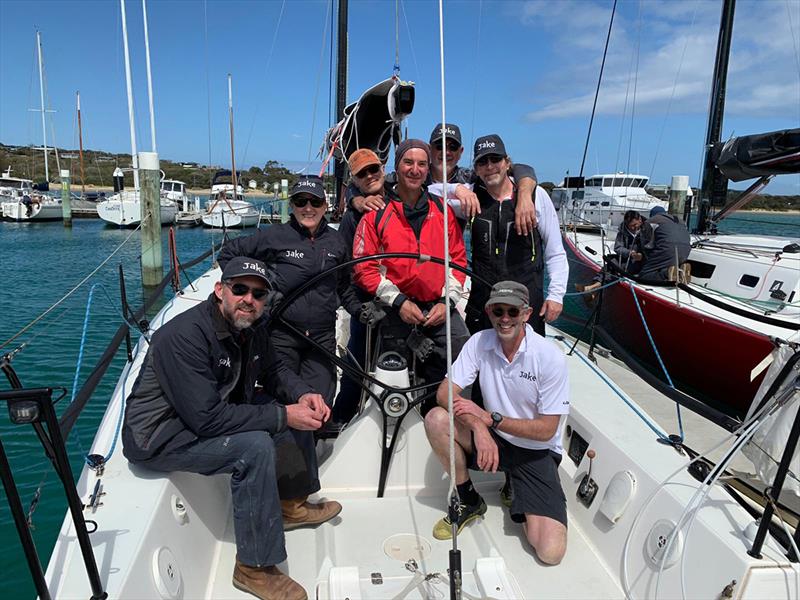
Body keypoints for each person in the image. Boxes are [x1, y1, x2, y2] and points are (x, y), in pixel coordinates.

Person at [122, 257, 341, 600]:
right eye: (240, 289)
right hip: (160, 435)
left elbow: (274, 372)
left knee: (293, 411)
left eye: (258, 294)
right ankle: (253, 568)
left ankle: (292, 504)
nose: (248, 300)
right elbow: (206, 419)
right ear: (219, 290)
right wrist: (284, 415)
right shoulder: (184, 336)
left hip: (202, 414)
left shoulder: (251, 327)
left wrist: (303, 394)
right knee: (255, 445)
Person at [424, 281, 569, 565]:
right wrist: (479, 427)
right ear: (489, 312)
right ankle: (469, 499)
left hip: (536, 451)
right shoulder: (479, 342)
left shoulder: (550, 357)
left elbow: (547, 430)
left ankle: (517, 487)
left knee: (550, 552)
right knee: (435, 419)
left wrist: (492, 420)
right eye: (498, 311)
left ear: (526, 314)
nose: (504, 319)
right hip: (493, 437)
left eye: (512, 311)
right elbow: (444, 393)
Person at [352, 139, 470, 413]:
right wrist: (400, 302)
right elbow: (364, 269)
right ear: (397, 166)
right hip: (395, 308)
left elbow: (457, 260)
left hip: (438, 307)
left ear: (429, 169)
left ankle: (453, 419)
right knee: (391, 377)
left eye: (421, 164)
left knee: (463, 349)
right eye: (408, 163)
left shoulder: (443, 212)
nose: (415, 170)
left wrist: (447, 302)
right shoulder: (375, 215)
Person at [458, 134, 568, 337]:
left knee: (526, 365)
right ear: (476, 169)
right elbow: (432, 191)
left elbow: (556, 252)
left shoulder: (537, 196)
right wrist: (457, 189)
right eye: (482, 161)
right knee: (480, 365)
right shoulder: (469, 196)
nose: (489, 166)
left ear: (507, 162)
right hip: (483, 303)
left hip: (525, 304)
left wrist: (556, 295)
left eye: (495, 159)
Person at [330, 149, 385, 428]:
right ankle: (342, 417)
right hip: (367, 297)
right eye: (362, 173)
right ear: (355, 180)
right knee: (356, 358)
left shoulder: (403, 198)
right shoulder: (353, 216)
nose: (370, 176)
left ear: (383, 169)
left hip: (403, 295)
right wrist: (355, 305)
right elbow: (344, 264)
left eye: (373, 169)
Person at [640, 205, 691, 281]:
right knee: (666, 263)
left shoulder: (651, 221)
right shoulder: (680, 221)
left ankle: (666, 273)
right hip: (686, 250)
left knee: (644, 274)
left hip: (667, 249)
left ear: (651, 215)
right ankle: (680, 271)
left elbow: (647, 244)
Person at [613, 210, 652, 275]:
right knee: (611, 263)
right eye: (629, 225)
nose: (632, 228)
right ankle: (597, 282)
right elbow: (618, 247)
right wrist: (629, 253)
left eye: (634, 225)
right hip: (626, 261)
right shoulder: (622, 231)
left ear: (640, 220)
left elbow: (651, 247)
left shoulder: (647, 229)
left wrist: (642, 256)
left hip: (643, 263)